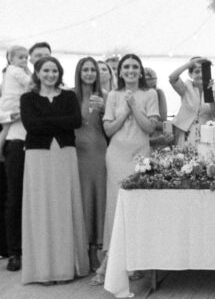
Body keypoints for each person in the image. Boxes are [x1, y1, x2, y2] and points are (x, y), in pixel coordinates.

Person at [19, 56, 89, 283]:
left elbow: (75, 121)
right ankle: (42, 269)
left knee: (63, 205)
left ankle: (66, 267)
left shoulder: (69, 96)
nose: (51, 75)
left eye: (55, 71)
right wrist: (60, 120)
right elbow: (30, 125)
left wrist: (47, 121)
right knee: (41, 207)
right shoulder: (27, 98)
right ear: (37, 73)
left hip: (64, 154)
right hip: (37, 155)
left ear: (60, 74)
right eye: (46, 71)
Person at [94, 53, 159, 284]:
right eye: (126, 67)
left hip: (140, 155)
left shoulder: (150, 94)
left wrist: (134, 106)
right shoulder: (112, 94)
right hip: (117, 155)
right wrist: (124, 109)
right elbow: (109, 130)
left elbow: (150, 127)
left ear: (140, 71)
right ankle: (110, 260)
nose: (131, 70)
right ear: (119, 72)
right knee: (115, 206)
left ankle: (136, 260)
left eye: (135, 67)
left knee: (137, 206)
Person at [2, 41, 52, 272]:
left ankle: (40, 249)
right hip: (18, 141)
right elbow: (4, 113)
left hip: (45, 146)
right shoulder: (18, 80)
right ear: (30, 59)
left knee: (41, 199)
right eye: (37, 56)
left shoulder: (51, 85)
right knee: (16, 198)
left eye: (46, 56)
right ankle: (15, 252)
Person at [73, 57, 108, 272]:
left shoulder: (104, 96)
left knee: (98, 198)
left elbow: (110, 126)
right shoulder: (70, 96)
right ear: (79, 72)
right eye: (85, 69)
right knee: (81, 198)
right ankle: (81, 248)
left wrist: (105, 110)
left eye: (92, 69)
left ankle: (97, 248)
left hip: (99, 150)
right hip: (76, 152)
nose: (88, 73)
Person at [168, 57, 215, 149]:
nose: (201, 75)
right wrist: (190, 64)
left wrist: (210, 94)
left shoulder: (213, 89)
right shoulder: (185, 87)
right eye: (197, 72)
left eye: (203, 71)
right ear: (190, 74)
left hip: (206, 135)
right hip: (185, 134)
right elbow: (172, 78)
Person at [0, 46, 32, 159]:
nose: (24, 60)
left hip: (7, 103)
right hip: (13, 104)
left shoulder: (9, 71)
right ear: (11, 60)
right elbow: (29, 81)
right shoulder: (16, 70)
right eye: (21, 57)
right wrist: (29, 71)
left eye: (26, 58)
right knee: (6, 129)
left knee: (6, 129)